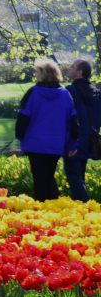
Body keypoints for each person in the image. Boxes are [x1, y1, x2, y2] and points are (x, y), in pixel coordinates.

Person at [16, 58, 79, 201]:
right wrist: (73, 143)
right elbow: (73, 121)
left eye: (37, 72)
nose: (35, 74)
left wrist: (20, 135)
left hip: (34, 143)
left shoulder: (32, 93)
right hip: (55, 143)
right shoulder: (65, 95)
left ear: (43, 74)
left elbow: (23, 117)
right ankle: (53, 206)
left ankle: (42, 207)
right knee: (49, 176)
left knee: (39, 179)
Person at [65, 59, 101, 202]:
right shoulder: (96, 93)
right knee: (80, 176)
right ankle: (80, 211)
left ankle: (88, 207)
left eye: (72, 67)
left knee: (74, 177)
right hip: (90, 140)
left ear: (79, 72)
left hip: (73, 140)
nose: (69, 68)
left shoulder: (70, 91)